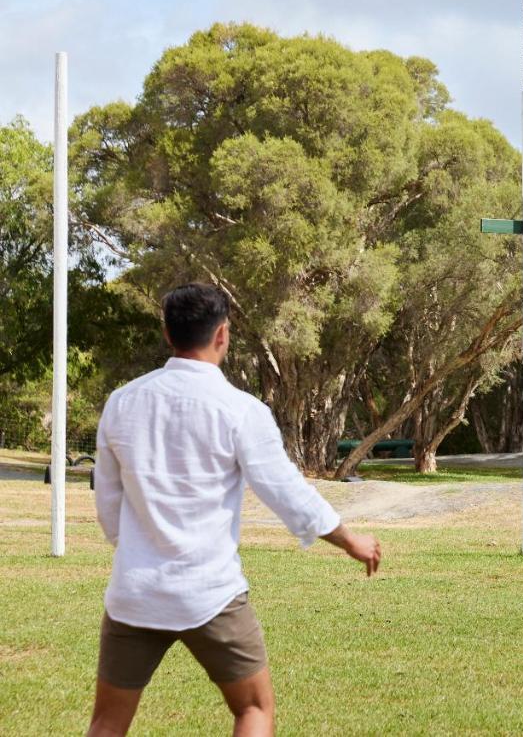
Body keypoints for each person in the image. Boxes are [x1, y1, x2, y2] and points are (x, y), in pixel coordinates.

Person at [88, 283, 382, 736]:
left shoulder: (122, 401)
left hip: (135, 593)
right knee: (253, 711)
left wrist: (137, 551)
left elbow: (109, 501)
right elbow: (284, 490)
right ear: (222, 334)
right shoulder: (240, 410)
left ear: (168, 334)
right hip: (212, 593)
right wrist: (350, 541)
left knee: (107, 723)